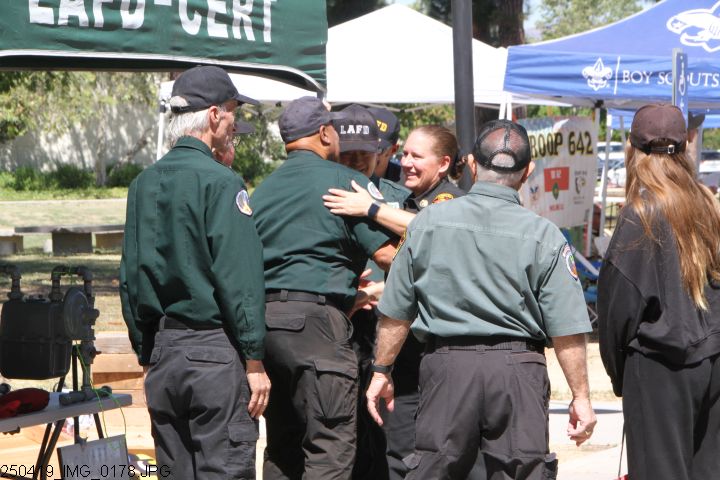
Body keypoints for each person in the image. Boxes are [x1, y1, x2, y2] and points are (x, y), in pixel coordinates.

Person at [366, 119, 596, 479]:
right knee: (521, 470)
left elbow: (396, 311)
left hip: (447, 367)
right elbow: (566, 326)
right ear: (528, 171)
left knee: (435, 470)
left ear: (472, 164)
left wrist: (382, 369)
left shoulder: (427, 224)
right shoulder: (545, 236)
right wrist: (580, 396)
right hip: (517, 371)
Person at [119, 65, 270, 479]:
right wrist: (254, 360)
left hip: (164, 353)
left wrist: (146, 351)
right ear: (215, 115)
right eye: (234, 112)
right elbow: (240, 278)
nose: (235, 123)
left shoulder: (142, 183)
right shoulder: (221, 182)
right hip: (213, 352)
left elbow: (130, 277)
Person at [250, 96, 397, 480]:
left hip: (266, 329)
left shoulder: (261, 191)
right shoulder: (345, 183)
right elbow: (389, 257)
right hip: (318, 332)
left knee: (283, 446)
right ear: (324, 133)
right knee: (330, 446)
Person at [323, 124, 467, 480]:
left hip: (435, 352)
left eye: (418, 157)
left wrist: (370, 209)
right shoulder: (407, 201)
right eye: (405, 155)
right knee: (399, 451)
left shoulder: (449, 199)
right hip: (403, 353)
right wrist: (368, 292)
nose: (407, 163)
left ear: (444, 163)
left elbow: (434, 227)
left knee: (430, 455)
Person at [597, 103, 720, 480]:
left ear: (632, 150)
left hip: (659, 368)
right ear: (685, 147)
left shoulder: (640, 215)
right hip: (712, 360)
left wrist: (620, 376)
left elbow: (617, 310)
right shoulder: (708, 204)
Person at [367, 107, 402, 182]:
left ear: (393, 150)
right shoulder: (343, 172)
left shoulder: (404, 181)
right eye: (362, 144)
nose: (366, 153)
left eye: (377, 149)